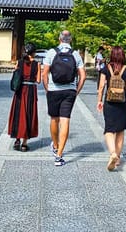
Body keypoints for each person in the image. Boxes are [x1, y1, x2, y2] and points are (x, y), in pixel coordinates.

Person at [42, 30, 86, 167]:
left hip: (54, 90)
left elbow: (44, 73)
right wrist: (76, 90)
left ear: (59, 38)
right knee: (65, 120)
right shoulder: (75, 54)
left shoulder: (51, 52)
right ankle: (59, 156)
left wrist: (47, 88)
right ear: (70, 40)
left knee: (54, 119)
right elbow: (83, 76)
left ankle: (55, 146)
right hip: (70, 90)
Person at [97, 45, 126, 171]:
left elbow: (101, 86)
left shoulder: (106, 68)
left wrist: (99, 101)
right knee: (120, 130)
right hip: (124, 103)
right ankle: (118, 158)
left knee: (109, 130)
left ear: (112, 56)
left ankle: (112, 153)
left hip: (109, 102)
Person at [8, 43, 41, 151]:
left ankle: (17, 139)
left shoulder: (19, 62)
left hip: (20, 90)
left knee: (18, 113)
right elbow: (38, 80)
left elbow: (15, 75)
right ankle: (24, 143)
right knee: (28, 114)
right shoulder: (37, 64)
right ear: (34, 53)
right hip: (30, 91)